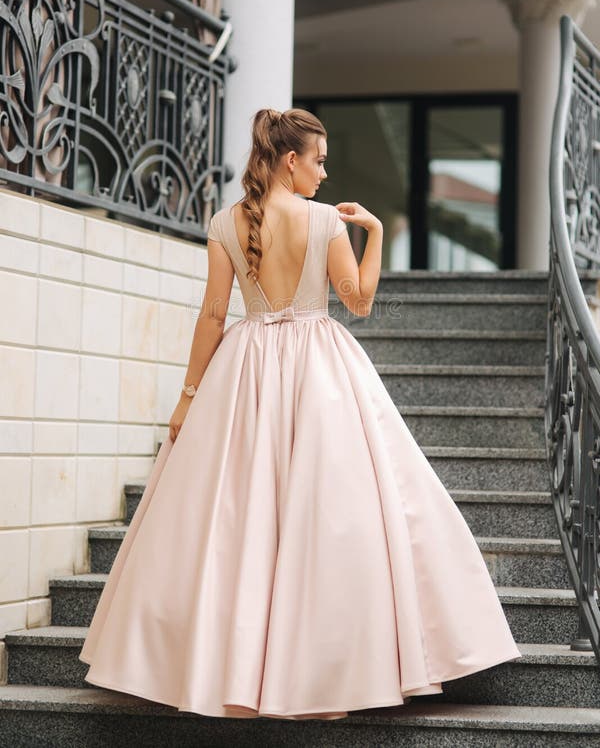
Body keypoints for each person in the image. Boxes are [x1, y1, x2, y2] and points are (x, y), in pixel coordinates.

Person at [79, 107, 521, 720]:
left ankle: (219, 666)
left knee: (238, 517)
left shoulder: (225, 222)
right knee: (327, 513)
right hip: (319, 365)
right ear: (291, 160)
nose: (323, 174)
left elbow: (212, 317)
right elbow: (359, 303)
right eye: (319, 161)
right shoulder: (323, 223)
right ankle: (319, 674)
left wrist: (187, 397)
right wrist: (376, 234)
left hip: (246, 366)